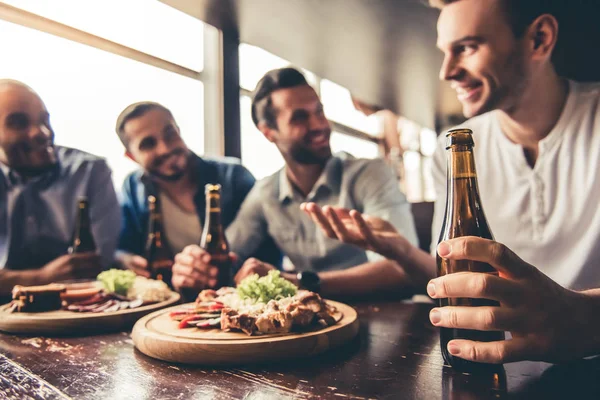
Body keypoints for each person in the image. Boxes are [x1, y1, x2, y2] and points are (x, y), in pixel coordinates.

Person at [303, 0, 600, 364]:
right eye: (444, 51)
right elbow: (459, 279)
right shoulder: (457, 143)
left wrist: (586, 315)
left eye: (468, 47)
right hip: (491, 368)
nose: (446, 71)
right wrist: (399, 249)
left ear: (539, 39)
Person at [171, 67, 419, 298]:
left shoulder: (372, 174)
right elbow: (228, 255)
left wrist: (301, 282)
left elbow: (401, 271)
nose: (319, 125)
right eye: (300, 117)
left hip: (389, 319)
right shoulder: (265, 194)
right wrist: (195, 266)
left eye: (319, 112)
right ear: (268, 132)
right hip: (311, 326)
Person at [115, 101, 281, 286]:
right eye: (148, 144)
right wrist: (125, 260)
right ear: (131, 156)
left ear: (178, 130)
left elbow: (269, 249)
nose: (165, 148)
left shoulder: (234, 176)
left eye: (170, 134)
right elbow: (122, 247)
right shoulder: (132, 187)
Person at [0, 79, 120, 296]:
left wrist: (9, 280)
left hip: (80, 312)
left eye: (44, 120)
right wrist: (41, 278)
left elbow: (95, 267)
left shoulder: (90, 171)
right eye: (18, 123)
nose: (41, 132)